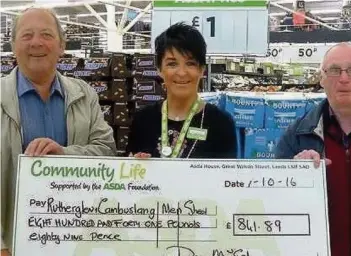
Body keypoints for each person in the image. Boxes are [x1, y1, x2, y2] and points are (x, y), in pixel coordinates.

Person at [1, 7, 116, 255]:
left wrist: (65, 153)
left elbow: (107, 151)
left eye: (46, 34)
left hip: (76, 240)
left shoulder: (84, 94)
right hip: (11, 243)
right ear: (12, 45)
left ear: (62, 45)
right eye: (27, 35)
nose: (36, 43)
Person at [275, 42, 351, 256]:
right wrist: (292, 177)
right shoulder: (296, 136)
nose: (344, 79)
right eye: (334, 70)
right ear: (322, 78)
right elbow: (274, 206)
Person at [127, 23, 237, 159]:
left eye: (190, 63)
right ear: (159, 69)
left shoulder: (221, 123)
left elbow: (225, 177)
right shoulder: (142, 120)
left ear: (202, 69)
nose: (182, 72)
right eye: (172, 64)